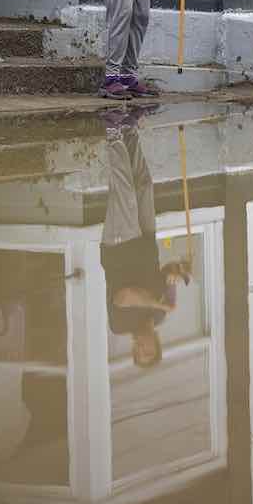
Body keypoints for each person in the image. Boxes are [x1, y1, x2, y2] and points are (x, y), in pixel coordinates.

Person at [99, 108, 192, 367]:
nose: (141, 346)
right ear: (157, 344)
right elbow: (167, 274)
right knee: (143, 186)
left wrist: (158, 304)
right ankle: (129, 130)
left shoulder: (120, 324)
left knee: (125, 193)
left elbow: (126, 294)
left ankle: (112, 131)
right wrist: (178, 271)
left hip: (120, 246)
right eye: (147, 351)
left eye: (138, 351)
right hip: (145, 242)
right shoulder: (160, 316)